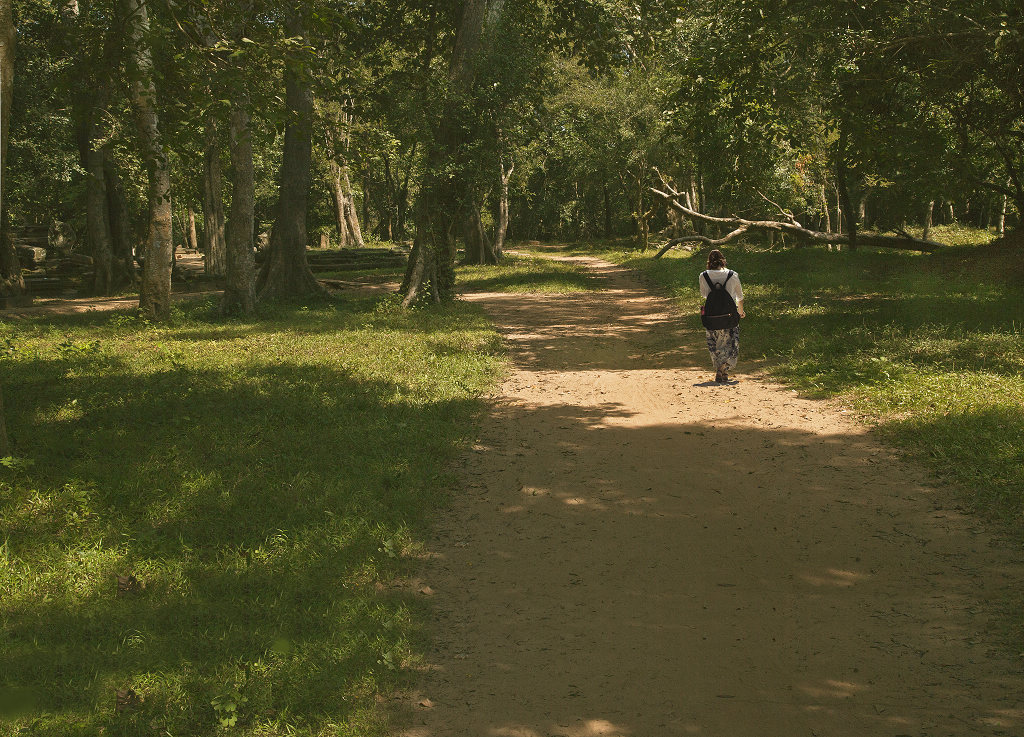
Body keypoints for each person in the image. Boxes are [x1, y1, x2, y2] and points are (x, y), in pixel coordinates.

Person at [699, 249, 745, 383]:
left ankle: (720, 368)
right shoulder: (733, 275)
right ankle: (723, 369)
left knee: (714, 343)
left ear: (709, 262)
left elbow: (704, 294)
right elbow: (740, 297)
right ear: (723, 260)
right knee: (731, 343)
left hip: (711, 315)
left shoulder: (703, 275)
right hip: (729, 315)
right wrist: (741, 312)